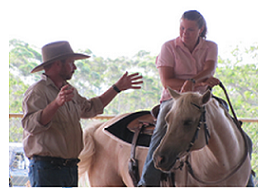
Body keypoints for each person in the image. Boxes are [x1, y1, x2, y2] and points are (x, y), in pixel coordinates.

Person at [21, 41, 143, 187]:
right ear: (57, 64)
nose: (75, 67)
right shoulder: (37, 92)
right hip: (47, 168)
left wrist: (116, 88)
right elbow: (30, 125)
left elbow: (90, 108)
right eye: (71, 62)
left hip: (69, 168)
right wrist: (56, 104)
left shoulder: (69, 90)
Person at [138, 10, 221, 186]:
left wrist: (192, 82)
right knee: (161, 131)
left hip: (201, 100)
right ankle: (147, 182)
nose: (184, 33)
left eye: (190, 29)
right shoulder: (168, 47)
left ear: (201, 29)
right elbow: (167, 82)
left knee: (232, 128)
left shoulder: (210, 46)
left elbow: (209, 70)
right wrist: (192, 84)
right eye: (182, 28)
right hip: (174, 99)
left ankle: (244, 178)